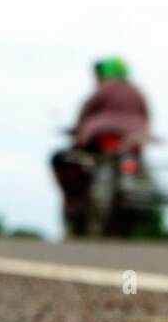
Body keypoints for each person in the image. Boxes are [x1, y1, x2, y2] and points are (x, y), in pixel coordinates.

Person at [51, 57, 151, 237]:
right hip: (134, 142)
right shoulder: (138, 93)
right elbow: (146, 116)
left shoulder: (104, 89)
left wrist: (78, 130)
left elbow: (86, 110)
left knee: (64, 160)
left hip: (102, 138)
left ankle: (74, 204)